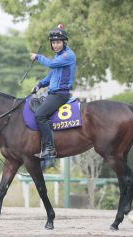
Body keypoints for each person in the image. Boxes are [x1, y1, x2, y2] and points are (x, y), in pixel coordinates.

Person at [30, 24, 77, 167]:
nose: (55, 45)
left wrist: (37, 57)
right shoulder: (59, 57)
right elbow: (52, 75)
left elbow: (50, 64)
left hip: (60, 95)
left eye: (58, 42)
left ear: (64, 42)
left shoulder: (67, 55)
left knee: (39, 115)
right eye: (53, 42)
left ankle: (49, 148)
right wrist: (40, 84)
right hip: (52, 94)